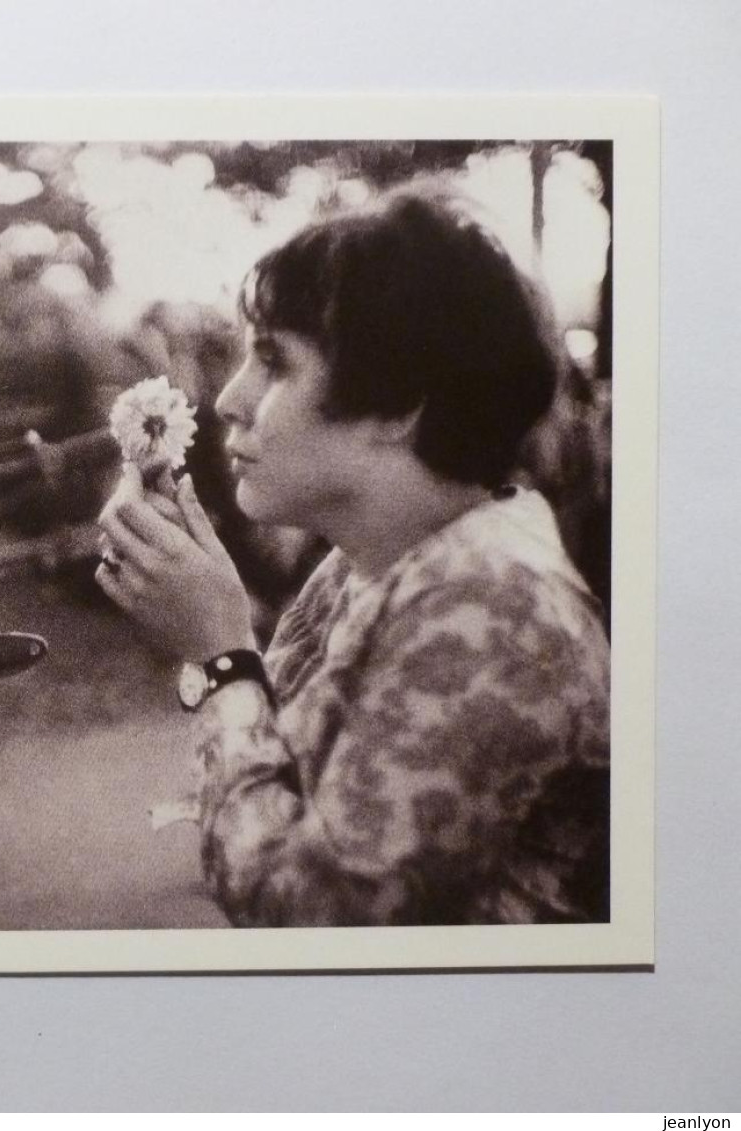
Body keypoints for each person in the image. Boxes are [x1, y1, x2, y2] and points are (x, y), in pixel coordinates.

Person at [96, 189, 611, 927]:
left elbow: (311, 916)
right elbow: (276, 781)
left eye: (274, 363)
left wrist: (220, 659)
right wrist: (208, 626)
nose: (230, 400)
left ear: (400, 404)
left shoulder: (495, 604)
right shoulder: (370, 565)